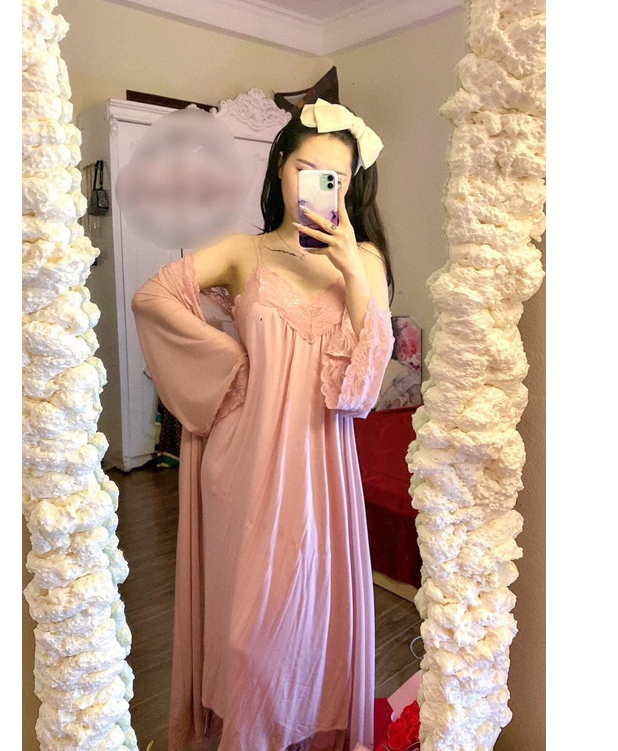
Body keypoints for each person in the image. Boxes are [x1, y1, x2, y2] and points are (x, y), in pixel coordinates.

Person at [131, 99, 396, 751]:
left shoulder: (366, 260)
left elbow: (366, 382)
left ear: (351, 185)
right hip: (245, 461)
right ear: (280, 166)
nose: (319, 188)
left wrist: (350, 271)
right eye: (307, 170)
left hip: (322, 466)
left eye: (336, 179)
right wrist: (232, 368)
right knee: (248, 634)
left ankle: (299, 732)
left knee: (311, 623)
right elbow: (153, 297)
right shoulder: (241, 251)